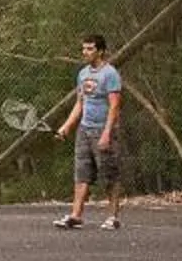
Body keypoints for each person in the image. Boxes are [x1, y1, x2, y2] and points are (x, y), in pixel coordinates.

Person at [52, 33, 127, 230]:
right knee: (81, 174)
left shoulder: (110, 74)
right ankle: (76, 216)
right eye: (84, 48)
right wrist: (66, 127)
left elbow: (114, 107)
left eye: (90, 49)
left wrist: (106, 133)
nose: (85, 52)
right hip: (85, 130)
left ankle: (113, 217)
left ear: (100, 51)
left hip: (104, 129)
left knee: (109, 174)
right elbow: (80, 103)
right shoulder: (83, 74)